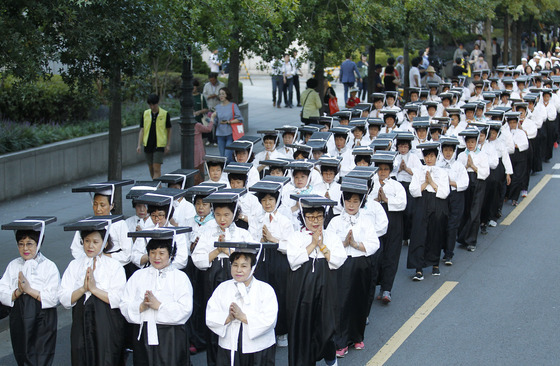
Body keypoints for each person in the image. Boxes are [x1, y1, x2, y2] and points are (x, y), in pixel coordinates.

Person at [192, 191, 257, 366]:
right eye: (218, 214)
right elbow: (198, 259)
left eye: (227, 214)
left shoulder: (243, 233)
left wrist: (228, 251)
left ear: (234, 213)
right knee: (216, 318)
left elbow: (252, 260)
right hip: (211, 278)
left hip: (235, 278)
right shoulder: (207, 232)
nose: (222, 218)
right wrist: (217, 250)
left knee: (236, 320)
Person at [282, 196, 346, 366]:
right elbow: (293, 260)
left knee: (326, 326)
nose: (315, 221)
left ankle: (330, 358)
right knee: (302, 326)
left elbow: (339, 259)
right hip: (301, 288)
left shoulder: (331, 236)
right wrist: (312, 244)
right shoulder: (296, 237)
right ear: (304, 217)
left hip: (326, 286)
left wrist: (323, 246)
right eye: (311, 217)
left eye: (319, 216)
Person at [59, 217, 127, 365]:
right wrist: (83, 288)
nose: (90, 246)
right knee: (80, 354)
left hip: (106, 320)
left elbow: (119, 298)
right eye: (87, 241)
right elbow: (64, 297)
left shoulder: (114, 266)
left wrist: (94, 289)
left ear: (105, 243)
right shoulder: (74, 265)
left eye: (96, 242)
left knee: (105, 357)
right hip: (81, 318)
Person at [120, 230, 193, 366]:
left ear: (170, 255)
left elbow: (186, 308)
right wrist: (140, 306)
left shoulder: (179, 277)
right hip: (144, 334)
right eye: (152, 253)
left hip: (171, 335)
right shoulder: (138, 276)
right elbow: (124, 303)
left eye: (161, 253)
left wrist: (159, 306)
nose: (156, 257)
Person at [327, 180, 380, 357]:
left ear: (361, 203)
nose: (351, 205)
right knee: (341, 303)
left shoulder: (366, 221)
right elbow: (327, 244)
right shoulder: (335, 222)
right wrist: (343, 243)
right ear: (343, 201)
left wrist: (356, 244)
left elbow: (374, 243)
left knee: (359, 301)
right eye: (348, 201)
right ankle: (340, 342)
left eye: (356, 201)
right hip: (341, 266)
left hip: (361, 265)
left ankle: (357, 336)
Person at [0, 217, 60, 366]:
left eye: (29, 244)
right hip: (19, 314)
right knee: (22, 352)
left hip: (42, 316)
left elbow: (54, 297)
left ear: (38, 243)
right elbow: (2, 290)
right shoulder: (14, 265)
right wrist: (17, 292)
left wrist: (29, 290)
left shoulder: (48, 266)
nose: (25, 248)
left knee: (41, 355)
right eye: (21, 244)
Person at [206, 246, 278, 366]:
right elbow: (210, 315)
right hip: (230, 344)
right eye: (235, 265)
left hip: (258, 347)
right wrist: (228, 318)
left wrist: (243, 317)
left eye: (244, 266)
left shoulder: (265, 289)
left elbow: (270, 320)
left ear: (253, 268)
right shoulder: (222, 288)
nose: (238, 270)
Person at [248, 180, 294, 347]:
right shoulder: (256, 219)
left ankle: (282, 332)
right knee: (260, 295)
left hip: (279, 259)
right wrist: (260, 239)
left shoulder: (284, 220)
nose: (267, 203)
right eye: (264, 200)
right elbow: (250, 239)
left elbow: (290, 245)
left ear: (277, 200)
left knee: (280, 294)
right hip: (260, 259)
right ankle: (263, 330)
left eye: (271, 200)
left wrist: (273, 240)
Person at [408, 142, 450, 280]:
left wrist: (431, 182)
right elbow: (413, 190)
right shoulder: (418, 171)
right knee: (419, 233)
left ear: (436, 157)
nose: (429, 159)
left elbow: (444, 192)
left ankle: (435, 263)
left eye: (432, 156)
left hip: (437, 202)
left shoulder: (442, 172)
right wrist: (425, 183)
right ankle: (418, 268)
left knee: (435, 233)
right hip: (421, 201)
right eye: (427, 156)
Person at [137, 93, 172, 179]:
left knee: (156, 168)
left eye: (154, 104)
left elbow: (169, 129)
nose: (152, 107)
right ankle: (156, 184)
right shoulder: (145, 114)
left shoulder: (164, 114)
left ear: (158, 103)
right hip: (148, 144)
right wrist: (139, 145)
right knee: (151, 168)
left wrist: (168, 144)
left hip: (159, 144)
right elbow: (142, 129)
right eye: (150, 105)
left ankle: (157, 188)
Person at [211, 87, 244, 163]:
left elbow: (240, 118)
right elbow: (215, 122)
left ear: (227, 95)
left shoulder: (233, 105)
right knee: (222, 157)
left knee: (228, 156)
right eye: (219, 94)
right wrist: (212, 117)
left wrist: (228, 122)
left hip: (230, 134)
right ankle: (226, 173)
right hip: (220, 134)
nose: (221, 96)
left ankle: (231, 172)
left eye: (223, 94)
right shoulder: (217, 107)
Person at [193, 78, 215, 184]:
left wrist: (198, 112)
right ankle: (199, 174)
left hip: (200, 123)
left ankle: (201, 173)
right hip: (193, 127)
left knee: (201, 149)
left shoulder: (200, 97)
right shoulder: (187, 98)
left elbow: (206, 109)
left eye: (194, 86)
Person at [203, 73, 225, 146]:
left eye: (213, 80)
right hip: (210, 106)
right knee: (209, 123)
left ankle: (216, 140)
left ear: (216, 79)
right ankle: (209, 139)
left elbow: (224, 95)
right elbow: (204, 95)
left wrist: (217, 96)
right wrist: (209, 96)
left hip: (218, 107)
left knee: (217, 124)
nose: (212, 82)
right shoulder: (207, 85)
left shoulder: (221, 85)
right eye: (210, 80)